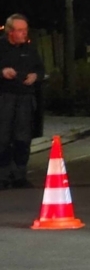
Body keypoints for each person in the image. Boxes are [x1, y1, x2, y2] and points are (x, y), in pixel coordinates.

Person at [0, 14, 43, 189]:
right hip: (4, 97)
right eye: (20, 30)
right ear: (10, 32)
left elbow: (40, 69)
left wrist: (35, 76)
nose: (24, 34)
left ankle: (19, 175)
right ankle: (2, 176)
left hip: (25, 97)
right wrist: (2, 72)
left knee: (22, 138)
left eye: (25, 30)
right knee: (2, 138)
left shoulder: (30, 49)